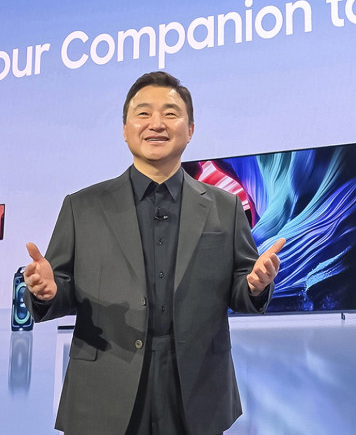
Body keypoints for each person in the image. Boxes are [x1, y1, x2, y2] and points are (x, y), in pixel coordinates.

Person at [23, 71, 283, 435]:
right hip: (104, 386)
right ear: (125, 129)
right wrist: (47, 292)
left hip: (197, 390)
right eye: (143, 113)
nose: (156, 124)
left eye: (170, 113)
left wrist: (255, 285)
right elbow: (62, 287)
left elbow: (240, 287)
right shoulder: (82, 206)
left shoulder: (225, 206)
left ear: (190, 130)